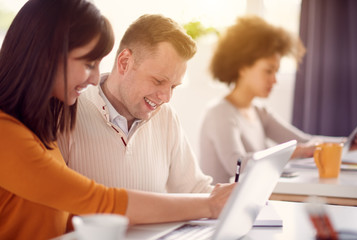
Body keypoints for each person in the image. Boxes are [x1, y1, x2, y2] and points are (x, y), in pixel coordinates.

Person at [0, 1, 235, 239]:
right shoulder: (7, 135)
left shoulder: (37, 127)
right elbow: (97, 202)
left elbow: (65, 213)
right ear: (47, 56)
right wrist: (209, 205)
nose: (94, 78)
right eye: (89, 64)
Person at [57, 14, 215, 193]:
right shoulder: (67, 112)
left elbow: (195, 189)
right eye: (158, 81)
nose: (166, 97)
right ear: (125, 63)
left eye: (174, 87)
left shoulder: (166, 117)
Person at [198, 16, 357, 184]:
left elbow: (304, 141)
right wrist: (295, 152)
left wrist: (346, 144)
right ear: (243, 67)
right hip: (221, 208)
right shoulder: (220, 113)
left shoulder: (259, 112)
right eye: (268, 71)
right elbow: (237, 165)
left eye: (276, 72)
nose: (274, 80)